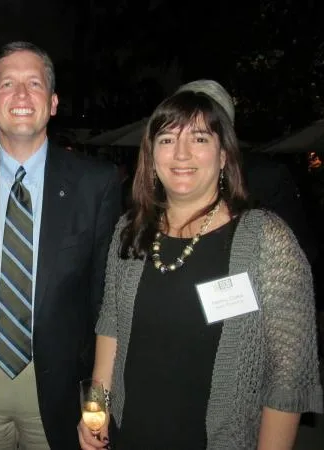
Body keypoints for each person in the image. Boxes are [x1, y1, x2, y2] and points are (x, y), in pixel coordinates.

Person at [78, 81, 323, 449]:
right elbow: (110, 329)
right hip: (128, 437)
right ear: (151, 155)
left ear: (223, 155)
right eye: (167, 139)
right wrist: (94, 410)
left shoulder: (267, 240)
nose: (181, 153)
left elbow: (288, 378)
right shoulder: (130, 231)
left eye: (199, 138)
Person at [0, 41, 121, 449]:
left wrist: (99, 393)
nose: (20, 94)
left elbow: (104, 299)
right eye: (7, 84)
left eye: (34, 83)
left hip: (60, 388)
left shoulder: (96, 184)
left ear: (53, 103)